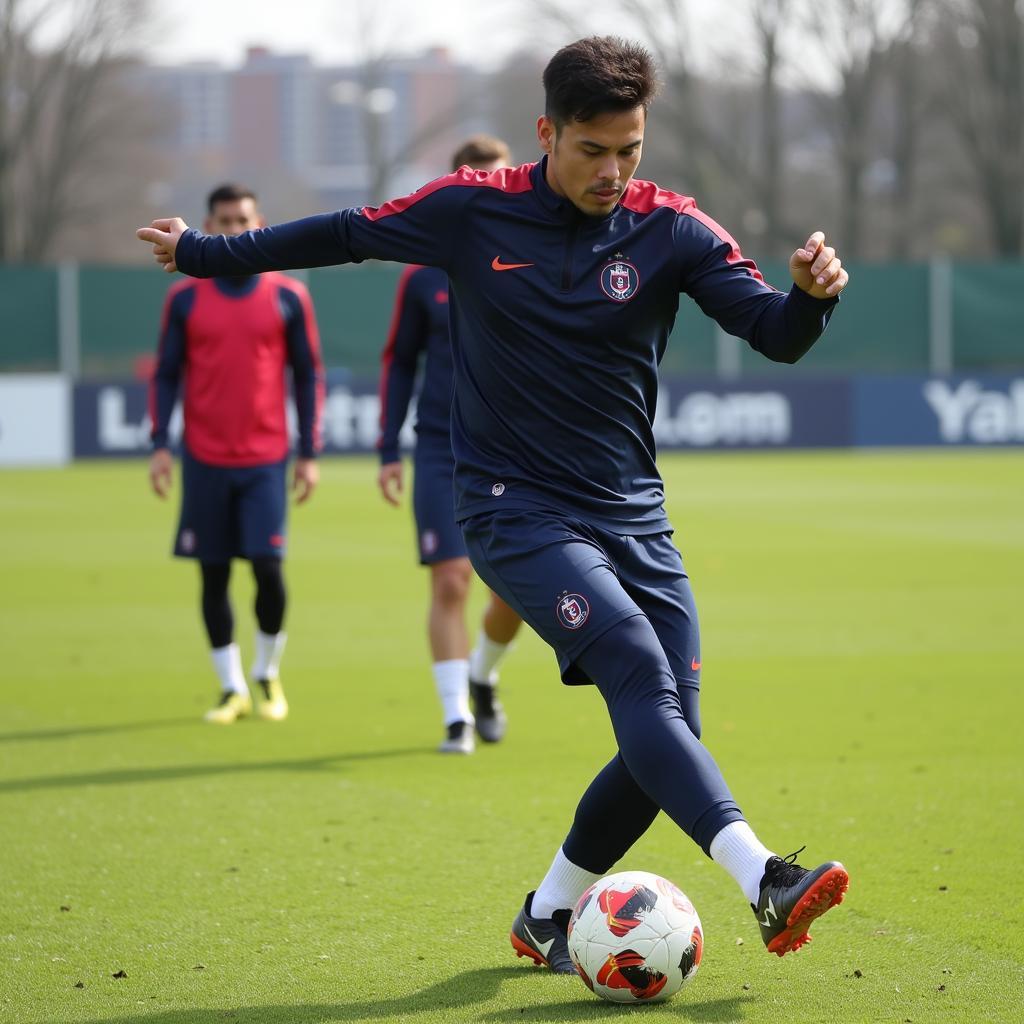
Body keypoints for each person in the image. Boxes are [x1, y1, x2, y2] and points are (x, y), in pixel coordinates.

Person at [138, 36, 851, 963]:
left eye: (630, 149)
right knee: (639, 670)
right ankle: (765, 877)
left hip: (634, 513)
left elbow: (776, 333)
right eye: (593, 148)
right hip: (513, 507)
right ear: (547, 132)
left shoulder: (674, 227)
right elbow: (345, 232)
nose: (613, 170)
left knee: (670, 732)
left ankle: (546, 915)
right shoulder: (470, 212)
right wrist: (204, 252)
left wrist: (810, 298)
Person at [148, 183, 324, 725]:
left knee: (269, 570)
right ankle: (230, 688)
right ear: (208, 224)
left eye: (242, 220)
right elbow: (167, 374)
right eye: (223, 221)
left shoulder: (288, 295)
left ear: (259, 221)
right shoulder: (184, 297)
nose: (233, 230)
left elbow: (307, 374)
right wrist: (160, 446)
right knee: (213, 574)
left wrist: (308, 451)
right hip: (203, 458)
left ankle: (267, 672)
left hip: (266, 458)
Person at [377, 135, 524, 755]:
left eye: (498, 178)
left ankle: (483, 674)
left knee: (515, 592)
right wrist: (387, 448)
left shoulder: (538, 261)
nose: (486, 189)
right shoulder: (420, 274)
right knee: (449, 583)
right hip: (441, 446)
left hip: (520, 451)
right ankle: (456, 716)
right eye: (474, 179)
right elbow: (400, 362)